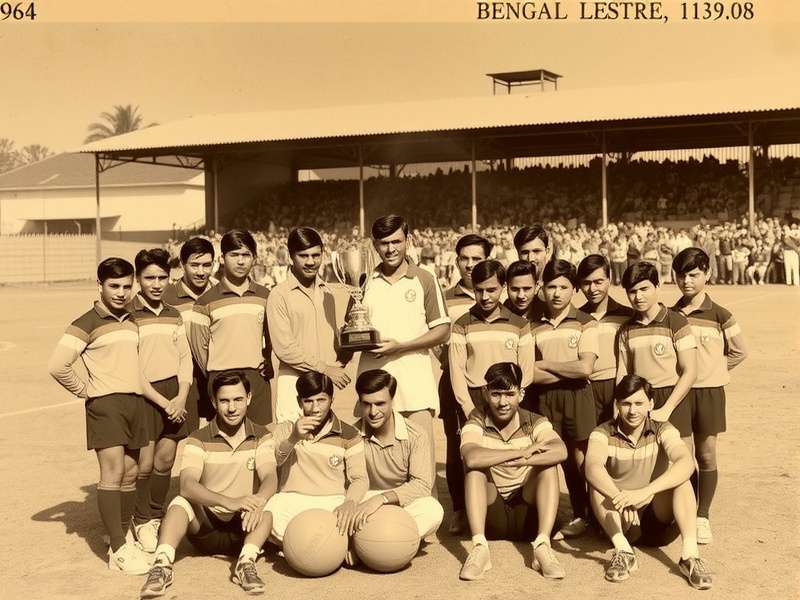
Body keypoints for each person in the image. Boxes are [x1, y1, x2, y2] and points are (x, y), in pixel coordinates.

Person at [48, 257, 150, 573]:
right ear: (100, 286)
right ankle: (118, 550)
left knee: (132, 472)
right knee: (113, 471)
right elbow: (57, 365)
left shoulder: (133, 320)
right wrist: (85, 391)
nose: (121, 292)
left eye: (126, 286)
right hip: (105, 406)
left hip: (135, 404)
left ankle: (118, 535)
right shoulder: (85, 323)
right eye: (113, 286)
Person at [138, 371, 278, 598]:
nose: (231, 408)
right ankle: (162, 565)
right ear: (213, 402)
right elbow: (187, 484)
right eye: (224, 401)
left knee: (272, 502)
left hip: (246, 526)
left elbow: (270, 477)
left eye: (238, 399)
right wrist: (228, 501)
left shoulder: (262, 436)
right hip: (206, 529)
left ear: (249, 398)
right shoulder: (198, 438)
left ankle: (246, 563)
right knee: (179, 502)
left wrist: (258, 501)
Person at [585, 375, 713, 590]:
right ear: (617, 404)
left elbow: (685, 461)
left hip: (656, 516)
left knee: (681, 480)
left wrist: (644, 492)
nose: (632, 411)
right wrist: (623, 498)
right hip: (620, 519)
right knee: (597, 486)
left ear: (651, 404)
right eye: (625, 404)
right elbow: (592, 467)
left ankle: (690, 557)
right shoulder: (602, 432)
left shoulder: (663, 428)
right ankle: (624, 552)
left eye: (639, 403)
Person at [358, 215, 450, 486]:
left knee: (421, 466)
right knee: (376, 467)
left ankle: (427, 528)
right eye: (384, 243)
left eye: (397, 241)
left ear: (408, 241)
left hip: (414, 386)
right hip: (373, 386)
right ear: (374, 245)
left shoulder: (424, 278)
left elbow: (442, 330)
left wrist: (402, 346)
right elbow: (353, 329)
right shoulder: (364, 281)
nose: (391, 249)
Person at [459, 363, 567, 581]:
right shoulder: (476, 420)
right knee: (475, 470)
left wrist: (528, 458)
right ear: (485, 392)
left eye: (510, 394)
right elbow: (471, 457)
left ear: (521, 393)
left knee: (548, 465)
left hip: (527, 514)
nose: (503, 402)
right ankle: (480, 548)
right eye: (496, 394)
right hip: (492, 515)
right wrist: (520, 453)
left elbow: (560, 451)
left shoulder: (534, 420)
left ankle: (542, 547)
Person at [671, 248, 747, 544]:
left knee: (706, 455)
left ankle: (702, 515)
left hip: (710, 395)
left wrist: (716, 370)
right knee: (683, 457)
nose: (686, 281)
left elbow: (740, 351)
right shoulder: (672, 314)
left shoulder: (721, 315)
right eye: (681, 275)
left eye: (693, 275)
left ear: (707, 275)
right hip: (680, 394)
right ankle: (687, 512)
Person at [128, 249, 193, 553]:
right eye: (149, 277)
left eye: (162, 277)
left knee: (165, 460)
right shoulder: (128, 314)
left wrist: (181, 395)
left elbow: (185, 357)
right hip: (144, 395)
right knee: (143, 464)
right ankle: (139, 519)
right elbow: (132, 368)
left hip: (175, 394)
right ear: (138, 279)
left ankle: (155, 514)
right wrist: (163, 401)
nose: (156, 284)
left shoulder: (173, 313)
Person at [529, 259, 599, 539]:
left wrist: (546, 365)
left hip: (578, 397)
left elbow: (586, 368)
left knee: (580, 458)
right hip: (544, 398)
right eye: (551, 286)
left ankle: (588, 513)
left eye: (563, 286)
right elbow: (530, 374)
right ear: (542, 289)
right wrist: (565, 368)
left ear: (574, 290)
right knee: (548, 456)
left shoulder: (586, 322)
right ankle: (550, 513)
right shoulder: (533, 326)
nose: (556, 293)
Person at [264, 371, 369, 546]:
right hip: (291, 499)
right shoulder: (285, 428)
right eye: (308, 401)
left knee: (359, 521)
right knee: (269, 513)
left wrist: (349, 502)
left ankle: (310, 547)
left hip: (331, 501)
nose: (315, 408)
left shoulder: (349, 434)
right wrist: (293, 438)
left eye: (321, 400)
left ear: (331, 400)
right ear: (299, 402)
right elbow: (273, 463)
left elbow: (360, 478)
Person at [188, 229, 274, 425]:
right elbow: (199, 350)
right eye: (234, 255)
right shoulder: (205, 301)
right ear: (222, 258)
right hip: (221, 378)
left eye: (246, 255)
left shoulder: (265, 295)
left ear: (254, 258)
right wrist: (217, 373)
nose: (241, 261)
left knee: (260, 443)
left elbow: (271, 337)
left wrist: (267, 359)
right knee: (226, 446)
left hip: (256, 378)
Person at [267, 226, 349, 423]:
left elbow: (334, 340)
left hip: (325, 383)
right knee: (293, 447)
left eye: (316, 255)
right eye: (303, 256)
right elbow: (284, 349)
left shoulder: (329, 293)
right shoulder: (279, 295)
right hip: (294, 381)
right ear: (291, 256)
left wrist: (350, 345)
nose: (311, 262)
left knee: (323, 449)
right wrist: (324, 368)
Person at [439, 233, 492, 534]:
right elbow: (436, 341)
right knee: (456, 444)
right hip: (455, 382)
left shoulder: (500, 294)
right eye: (465, 259)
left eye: (477, 259)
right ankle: (460, 508)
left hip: (494, 385)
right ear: (456, 261)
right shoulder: (445, 298)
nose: (470, 265)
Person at [351, 370, 444, 539]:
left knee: (432, 510)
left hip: (399, 500)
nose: (373, 412)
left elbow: (422, 484)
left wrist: (382, 499)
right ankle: (381, 540)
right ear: (360, 403)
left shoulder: (416, 434)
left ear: (392, 401)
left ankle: (373, 541)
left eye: (380, 404)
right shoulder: (351, 435)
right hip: (365, 498)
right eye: (367, 404)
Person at [617, 262, 697, 448]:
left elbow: (690, 371)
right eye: (632, 291)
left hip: (673, 397)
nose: (638, 296)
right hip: (639, 400)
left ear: (657, 286)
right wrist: (619, 407)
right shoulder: (625, 330)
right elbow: (622, 373)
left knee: (684, 459)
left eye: (644, 289)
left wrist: (667, 408)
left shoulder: (676, 322)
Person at [449, 259, 534, 418]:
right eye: (479, 290)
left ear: (503, 287)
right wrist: (468, 408)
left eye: (491, 290)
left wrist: (512, 402)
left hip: (509, 398)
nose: (485, 297)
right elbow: (457, 370)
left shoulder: (520, 325)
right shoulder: (461, 325)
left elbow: (526, 371)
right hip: (475, 398)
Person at [162, 236, 216, 430]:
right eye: (194, 265)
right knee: (178, 445)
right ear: (182, 264)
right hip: (181, 382)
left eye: (206, 265)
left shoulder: (220, 293)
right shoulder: (165, 296)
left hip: (216, 378)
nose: (201, 272)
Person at [577, 254, 634, 423]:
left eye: (598, 282)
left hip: (617, 386)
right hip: (585, 389)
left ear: (609, 280)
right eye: (586, 283)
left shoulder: (627, 315)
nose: (592, 289)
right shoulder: (576, 317)